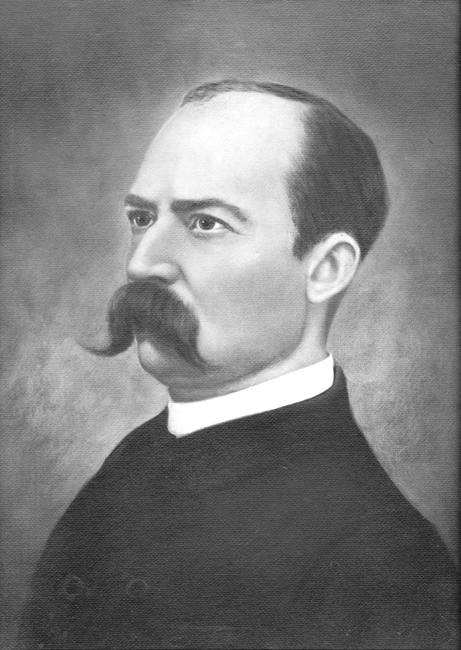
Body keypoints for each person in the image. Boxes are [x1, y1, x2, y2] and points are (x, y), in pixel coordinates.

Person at [18, 80, 458, 649]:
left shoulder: (387, 565)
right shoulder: (133, 464)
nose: (143, 263)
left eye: (205, 223)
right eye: (142, 218)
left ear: (326, 269)